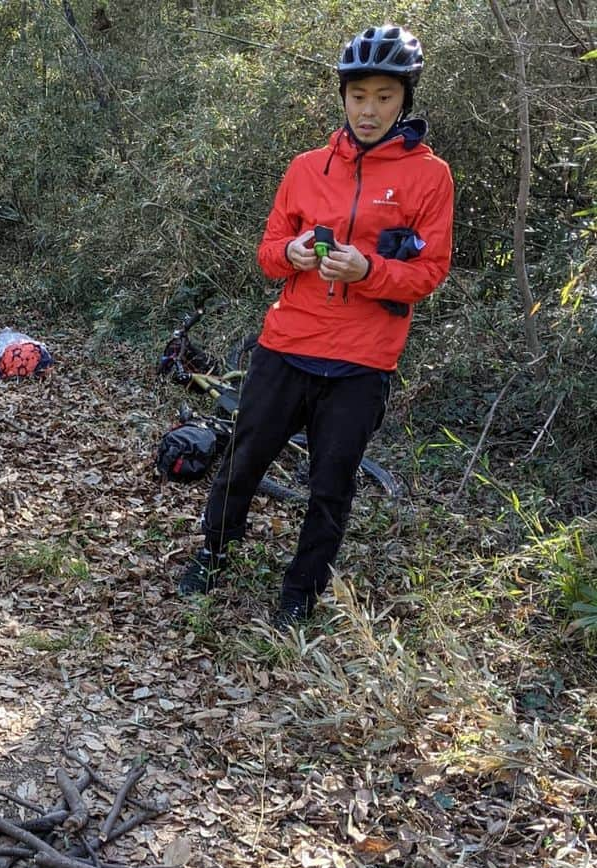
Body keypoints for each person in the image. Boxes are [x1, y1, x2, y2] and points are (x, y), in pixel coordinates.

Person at [177, 24, 454, 628]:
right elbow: (268, 251)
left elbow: (430, 271)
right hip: (287, 344)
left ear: (405, 98)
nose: (370, 109)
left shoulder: (430, 177)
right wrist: (292, 255)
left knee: (331, 484)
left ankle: (301, 590)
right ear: (343, 96)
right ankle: (214, 553)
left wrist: (370, 269)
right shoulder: (306, 168)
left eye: (384, 95)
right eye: (359, 95)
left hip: (363, 360)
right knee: (245, 458)